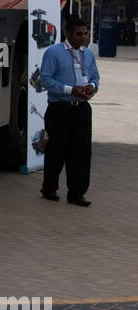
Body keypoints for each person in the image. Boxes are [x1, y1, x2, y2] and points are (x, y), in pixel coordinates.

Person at [39, 14, 100, 206]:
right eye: (78, 34)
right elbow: (46, 79)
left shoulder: (88, 54)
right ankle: (49, 188)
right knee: (57, 150)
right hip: (60, 108)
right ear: (68, 33)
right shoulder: (54, 53)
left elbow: (95, 77)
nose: (82, 38)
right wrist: (70, 89)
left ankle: (76, 193)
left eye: (85, 34)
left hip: (82, 108)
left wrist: (91, 86)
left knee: (81, 153)